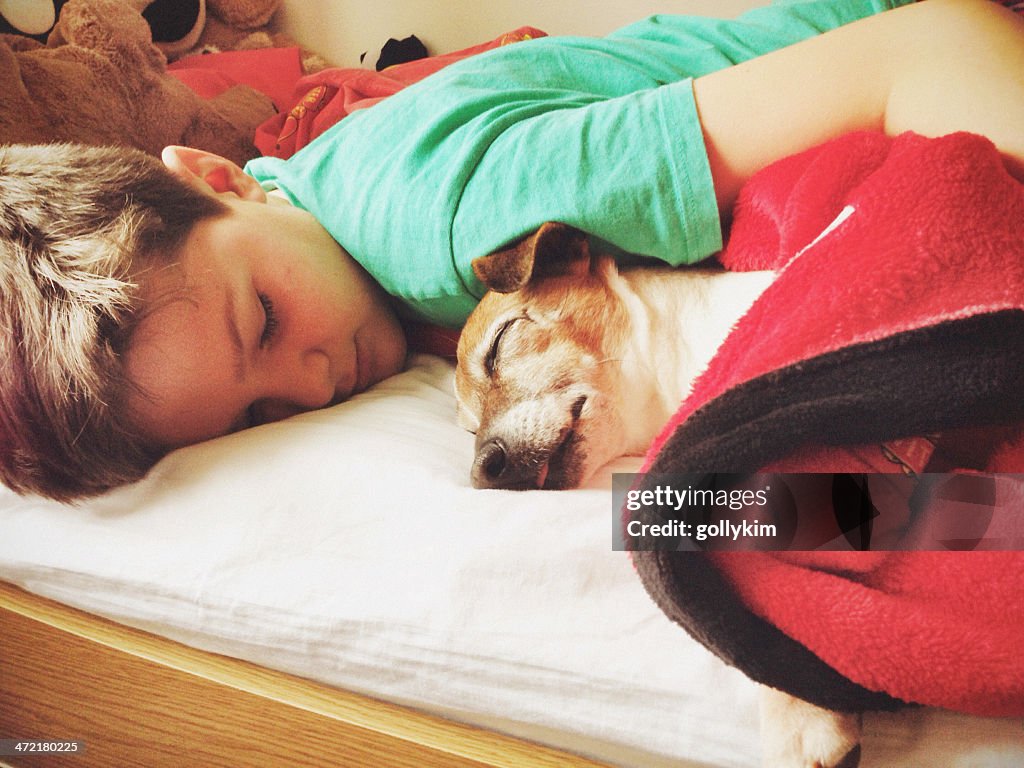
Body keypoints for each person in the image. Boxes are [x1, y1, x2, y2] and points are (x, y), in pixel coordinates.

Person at [1, 0, 1022, 501]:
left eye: (262, 320)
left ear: (214, 177)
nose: (310, 385)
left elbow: (940, 43)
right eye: (255, 417)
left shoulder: (453, 222)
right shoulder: (311, 198)